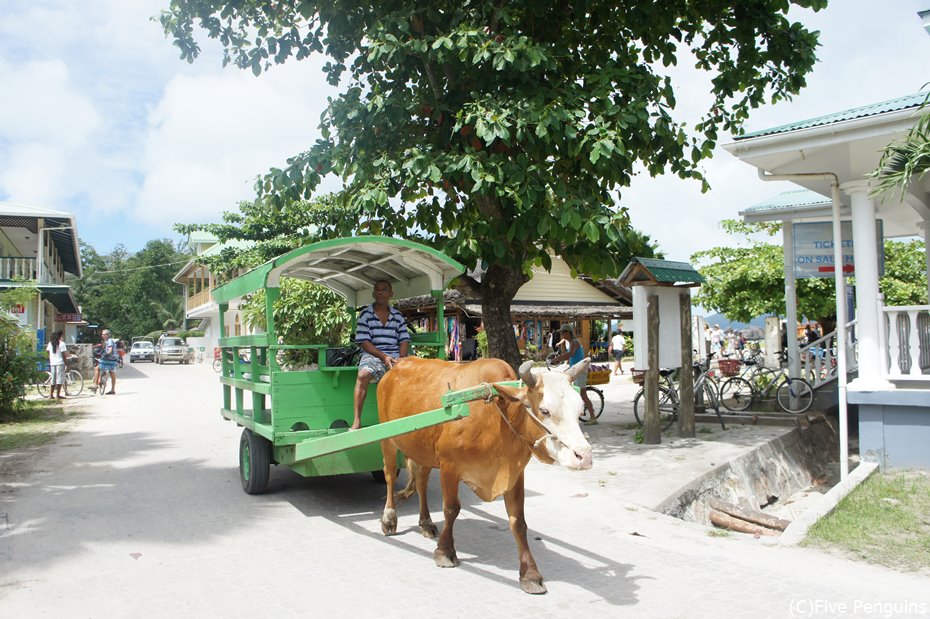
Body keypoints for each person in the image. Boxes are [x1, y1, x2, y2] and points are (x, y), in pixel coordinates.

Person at [351, 280, 410, 430]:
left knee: (415, 377)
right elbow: (364, 342)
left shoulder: (398, 316)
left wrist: (401, 359)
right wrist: (383, 357)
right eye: (377, 290)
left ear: (391, 293)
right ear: (373, 294)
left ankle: (407, 419)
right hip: (373, 355)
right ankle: (357, 420)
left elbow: (403, 339)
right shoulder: (365, 315)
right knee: (363, 375)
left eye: (384, 289)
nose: (380, 292)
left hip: (395, 355)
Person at [551, 327, 596, 424]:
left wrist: (558, 358)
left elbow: (571, 354)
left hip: (580, 370)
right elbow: (572, 357)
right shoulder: (571, 343)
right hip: (575, 369)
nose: (561, 335)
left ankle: (593, 418)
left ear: (568, 333)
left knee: (582, 394)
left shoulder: (574, 342)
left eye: (563, 332)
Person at [93, 329, 119, 395]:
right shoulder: (107, 341)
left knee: (96, 368)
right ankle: (113, 390)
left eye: (104, 334)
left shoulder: (109, 341)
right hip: (114, 360)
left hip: (108, 359)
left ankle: (95, 385)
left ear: (108, 335)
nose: (103, 336)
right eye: (102, 334)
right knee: (111, 372)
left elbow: (110, 350)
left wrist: (107, 353)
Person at [46, 330, 69, 399]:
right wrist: (66, 364)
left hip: (53, 363)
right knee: (59, 379)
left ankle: (51, 395)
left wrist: (51, 356)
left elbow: (47, 351)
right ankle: (58, 395)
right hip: (60, 363)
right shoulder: (62, 344)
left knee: (53, 379)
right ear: (60, 336)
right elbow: (63, 355)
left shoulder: (50, 343)